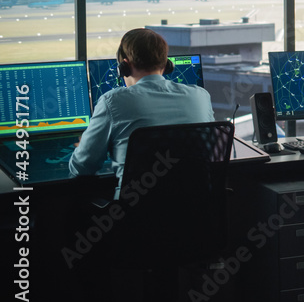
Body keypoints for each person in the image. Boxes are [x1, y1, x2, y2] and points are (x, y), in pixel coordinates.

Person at [69, 28, 215, 197]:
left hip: (135, 217)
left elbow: (82, 168)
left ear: (125, 66)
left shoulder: (112, 101)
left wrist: (86, 147)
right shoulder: (201, 96)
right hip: (197, 212)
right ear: (167, 64)